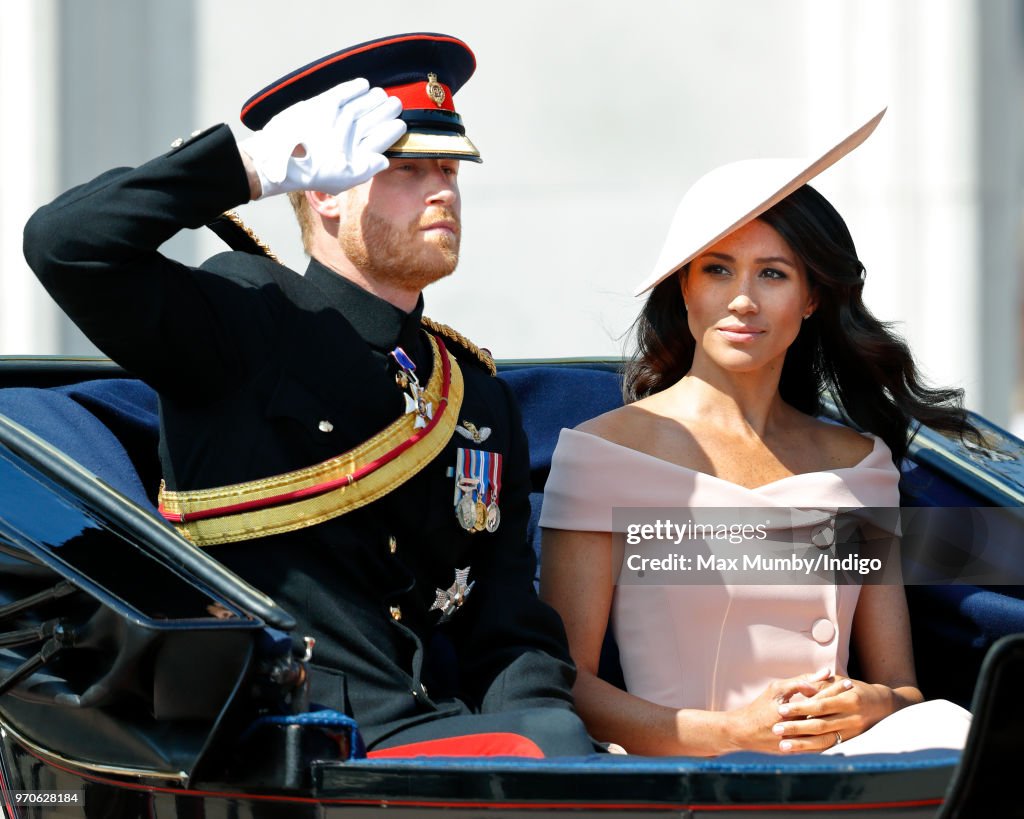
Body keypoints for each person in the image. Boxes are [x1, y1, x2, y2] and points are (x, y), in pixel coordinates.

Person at [23, 33, 595, 757]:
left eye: (449, 167)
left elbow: (508, 624)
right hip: (291, 737)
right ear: (324, 188)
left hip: (435, 738)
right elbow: (67, 244)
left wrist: (542, 739)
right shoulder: (246, 317)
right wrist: (248, 167)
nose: (442, 189)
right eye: (408, 169)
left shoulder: (473, 395)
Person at [538, 108, 976, 756]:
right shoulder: (603, 454)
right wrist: (730, 734)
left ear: (810, 297)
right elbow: (565, 684)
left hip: (851, 774)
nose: (743, 298)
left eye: (773, 273)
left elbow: (900, 684)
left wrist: (872, 701)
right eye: (717, 269)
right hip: (687, 778)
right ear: (684, 287)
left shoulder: (861, 464)